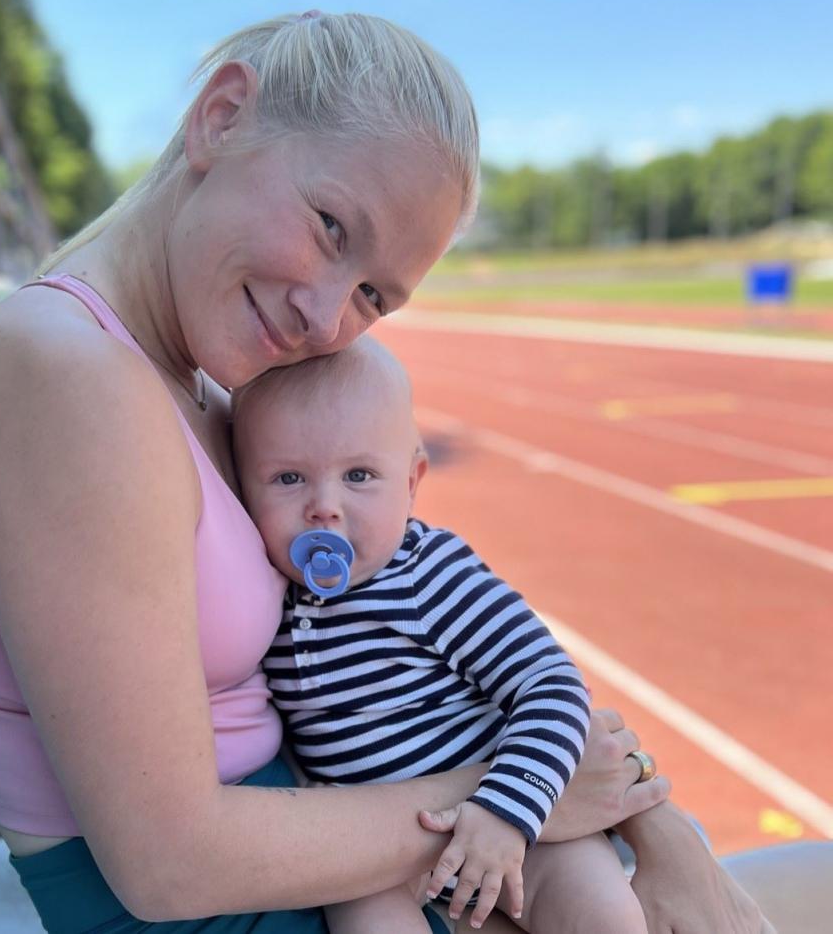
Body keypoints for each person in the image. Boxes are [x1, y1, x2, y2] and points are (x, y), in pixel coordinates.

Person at [0, 10, 779, 932]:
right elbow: (168, 866)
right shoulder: (62, 377)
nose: (326, 319)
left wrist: (648, 819)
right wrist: (511, 797)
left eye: (374, 295)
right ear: (223, 116)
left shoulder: (199, 388)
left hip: (348, 860)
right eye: (330, 226)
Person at [233, 337, 650, 932]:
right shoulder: (265, 597)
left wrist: (508, 812)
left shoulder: (428, 576)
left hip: (522, 829)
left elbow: (552, 686)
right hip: (381, 856)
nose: (324, 506)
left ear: (411, 482)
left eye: (359, 475)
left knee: (603, 917)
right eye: (288, 478)